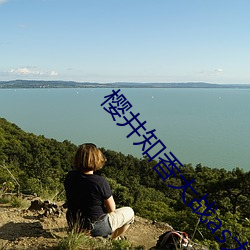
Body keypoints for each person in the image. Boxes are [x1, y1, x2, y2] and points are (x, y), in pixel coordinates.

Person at [64, 143, 134, 239]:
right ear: (97, 160)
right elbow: (112, 209)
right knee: (130, 212)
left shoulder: (70, 176)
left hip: (74, 225)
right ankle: (112, 239)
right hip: (95, 227)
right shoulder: (100, 182)